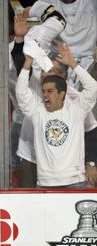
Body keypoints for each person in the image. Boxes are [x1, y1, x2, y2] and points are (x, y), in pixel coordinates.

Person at [16, 43, 97, 188]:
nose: (45, 95)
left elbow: (92, 87)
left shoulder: (77, 110)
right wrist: (27, 64)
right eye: (44, 91)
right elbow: (21, 92)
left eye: (50, 91)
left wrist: (73, 64)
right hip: (45, 182)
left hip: (74, 181)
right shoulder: (37, 112)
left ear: (62, 94)